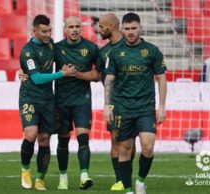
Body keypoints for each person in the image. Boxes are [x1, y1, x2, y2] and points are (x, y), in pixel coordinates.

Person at [103, 12, 167, 194]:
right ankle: (129, 190)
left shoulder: (152, 51)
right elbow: (109, 81)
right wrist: (107, 106)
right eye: (127, 28)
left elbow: (162, 78)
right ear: (122, 29)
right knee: (125, 148)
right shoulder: (114, 52)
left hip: (145, 107)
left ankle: (140, 181)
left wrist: (162, 107)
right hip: (122, 107)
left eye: (134, 28)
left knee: (148, 145)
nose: (130, 32)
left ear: (140, 28)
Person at [77, 13, 136, 191]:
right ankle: (120, 180)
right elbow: (97, 75)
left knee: (131, 142)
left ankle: (127, 177)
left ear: (110, 27)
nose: (99, 30)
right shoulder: (103, 52)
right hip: (114, 102)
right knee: (116, 140)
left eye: (101, 27)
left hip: (134, 101)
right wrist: (76, 74)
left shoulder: (131, 45)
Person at [19, 14, 76, 191]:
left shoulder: (51, 45)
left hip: (47, 100)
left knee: (44, 139)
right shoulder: (28, 51)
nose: (47, 34)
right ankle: (26, 170)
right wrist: (62, 74)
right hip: (29, 97)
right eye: (44, 31)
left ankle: (40, 179)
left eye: (49, 30)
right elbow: (36, 78)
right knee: (31, 134)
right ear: (34, 31)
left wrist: (64, 68)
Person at [54, 16, 99, 190]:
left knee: (83, 139)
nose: (74, 29)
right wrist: (23, 71)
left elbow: (98, 75)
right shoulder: (56, 48)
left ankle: (84, 176)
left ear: (81, 28)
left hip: (82, 100)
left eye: (77, 26)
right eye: (71, 26)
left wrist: (77, 74)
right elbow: (41, 65)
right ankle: (63, 178)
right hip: (61, 101)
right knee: (63, 140)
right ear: (65, 29)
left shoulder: (91, 48)